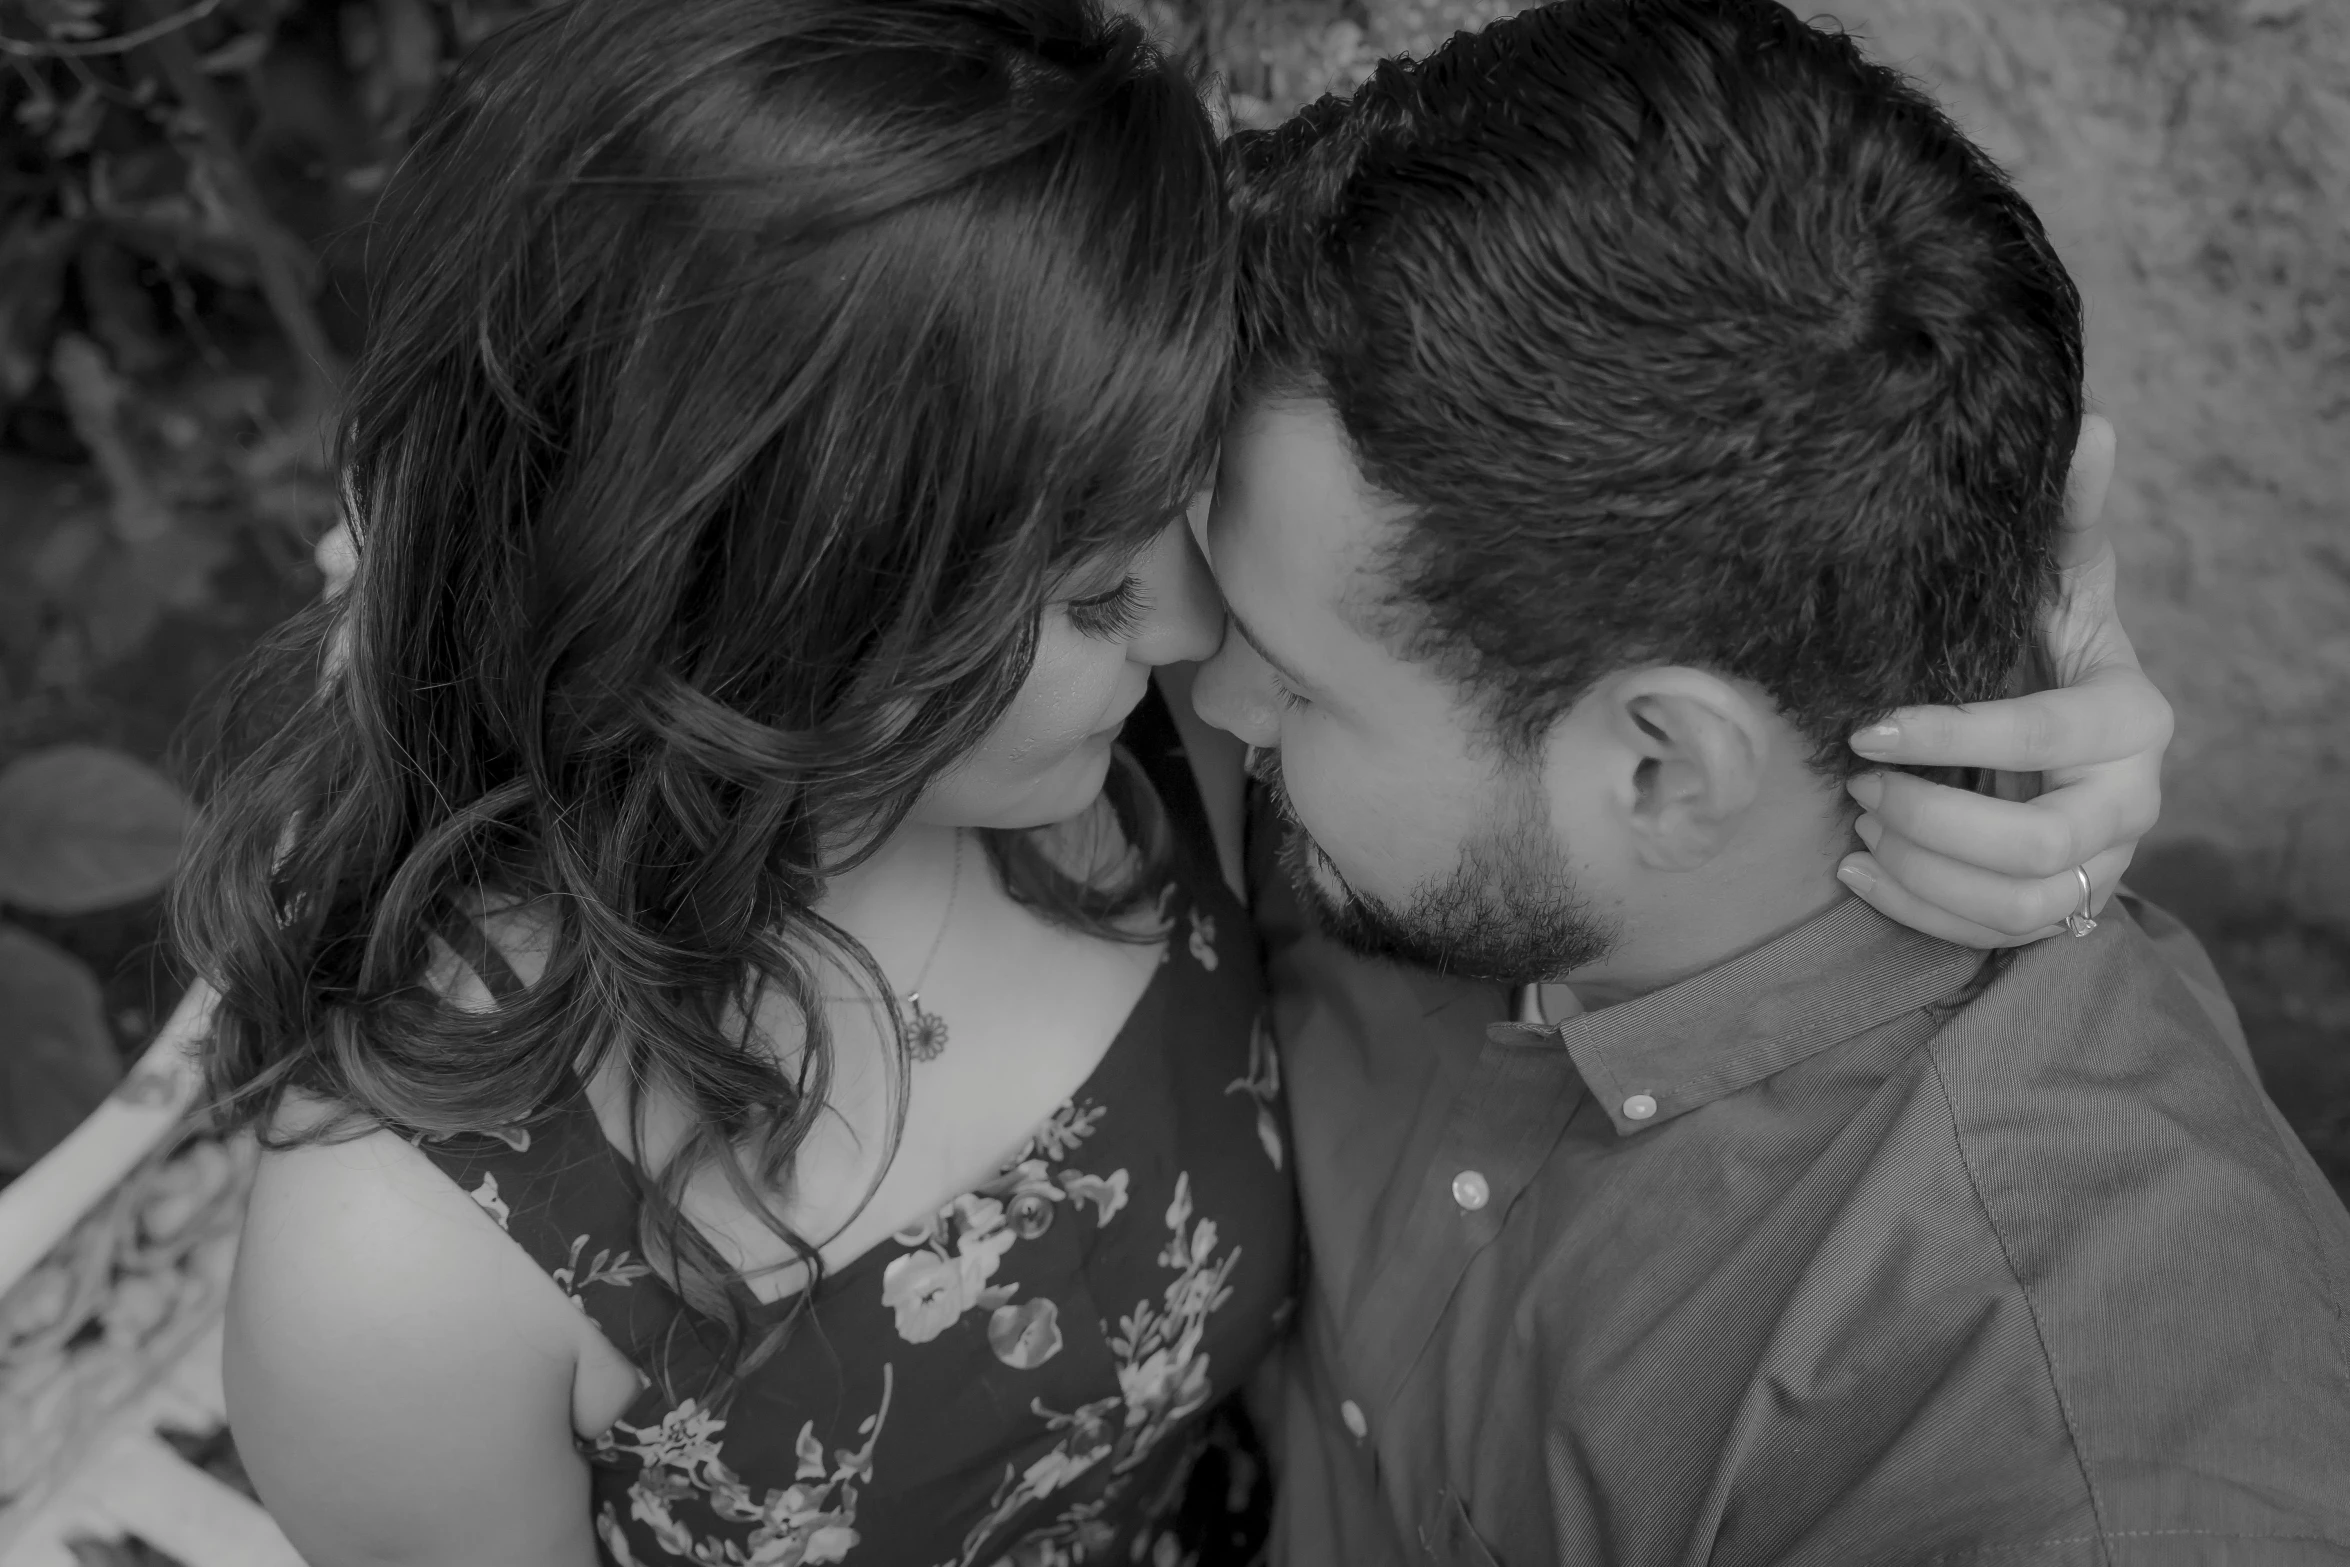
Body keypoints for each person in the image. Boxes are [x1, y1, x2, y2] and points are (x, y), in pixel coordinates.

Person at [173, 2, 2173, 1565]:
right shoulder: (400, 1280)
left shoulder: (1147, 782)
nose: (1203, 638)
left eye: (1179, 509)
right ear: (780, 612)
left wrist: (1969, 720)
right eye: (1081, 582)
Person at [1190, 2, 2350, 1562]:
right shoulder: (1480, 787)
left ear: (1664, 767)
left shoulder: (2055, 1469)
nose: (1208, 694)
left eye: (1297, 678)